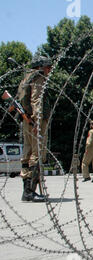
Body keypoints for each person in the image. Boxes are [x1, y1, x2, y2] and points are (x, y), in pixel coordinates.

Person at [17, 55, 52, 202]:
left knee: (27, 153)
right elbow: (36, 99)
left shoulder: (26, 78)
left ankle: (26, 192)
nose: (50, 70)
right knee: (37, 154)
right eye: (48, 66)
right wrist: (37, 121)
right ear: (41, 66)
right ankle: (31, 191)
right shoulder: (39, 77)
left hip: (27, 120)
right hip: (35, 121)